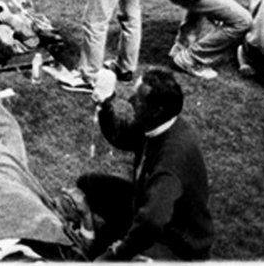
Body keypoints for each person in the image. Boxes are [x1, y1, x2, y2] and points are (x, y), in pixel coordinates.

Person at [79, 67, 213, 261]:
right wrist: (105, 106)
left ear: (156, 110)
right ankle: (106, 234)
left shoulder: (171, 160)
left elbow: (153, 220)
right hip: (149, 208)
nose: (131, 101)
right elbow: (122, 135)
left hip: (175, 241)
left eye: (138, 100)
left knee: (117, 256)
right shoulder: (158, 123)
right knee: (88, 183)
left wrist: (117, 253)